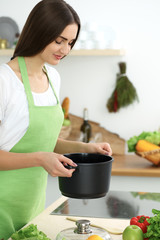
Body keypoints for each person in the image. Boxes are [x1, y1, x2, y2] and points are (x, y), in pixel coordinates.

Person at [0, 0, 112, 239]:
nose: (65, 50)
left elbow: (45, 141)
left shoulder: (53, 78)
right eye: (58, 40)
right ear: (39, 32)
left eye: (70, 42)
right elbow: (40, 152)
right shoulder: (4, 81)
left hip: (31, 205)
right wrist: (41, 159)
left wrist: (86, 148)